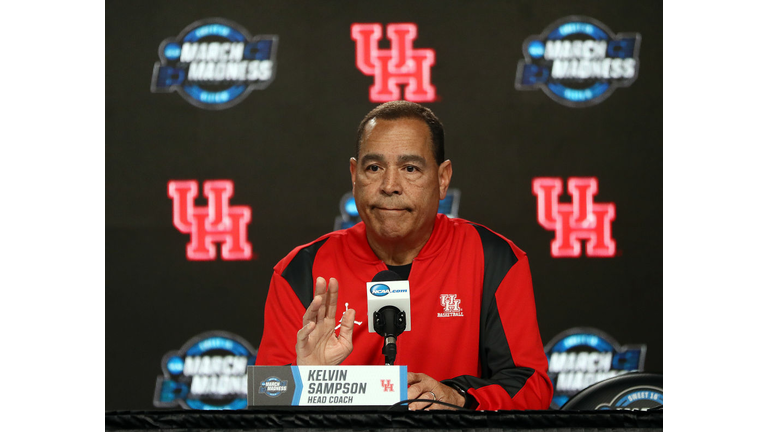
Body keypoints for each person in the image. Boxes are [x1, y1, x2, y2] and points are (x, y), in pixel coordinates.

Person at [255, 101, 553, 410]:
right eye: (374, 168)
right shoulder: (301, 269)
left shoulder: (494, 259)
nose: (389, 186)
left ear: (443, 179)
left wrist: (459, 397)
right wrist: (309, 381)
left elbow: (531, 388)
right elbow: (265, 394)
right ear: (354, 175)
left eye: (410, 168)